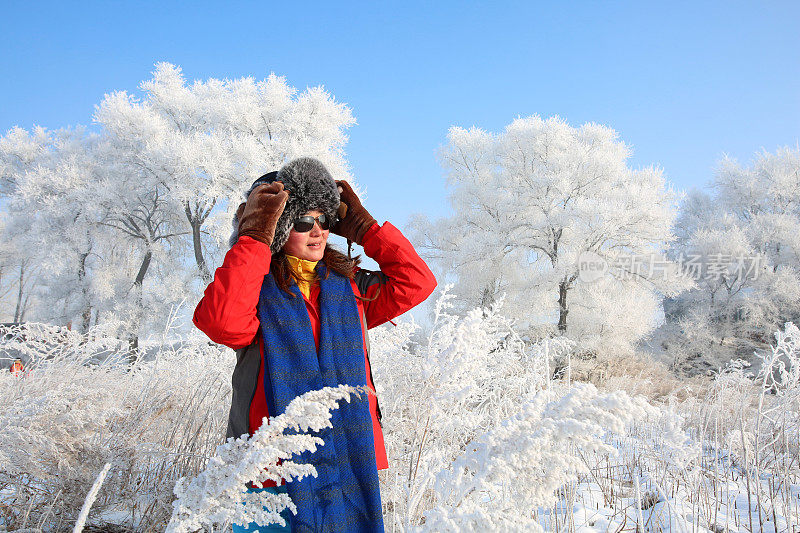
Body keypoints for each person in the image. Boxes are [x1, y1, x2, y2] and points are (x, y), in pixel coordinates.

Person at [193, 157, 437, 532]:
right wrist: (254, 237)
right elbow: (222, 322)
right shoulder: (253, 290)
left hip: (348, 457)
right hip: (270, 468)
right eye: (303, 222)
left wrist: (366, 228)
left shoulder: (351, 286)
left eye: (325, 220)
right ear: (277, 228)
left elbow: (416, 282)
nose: (318, 231)